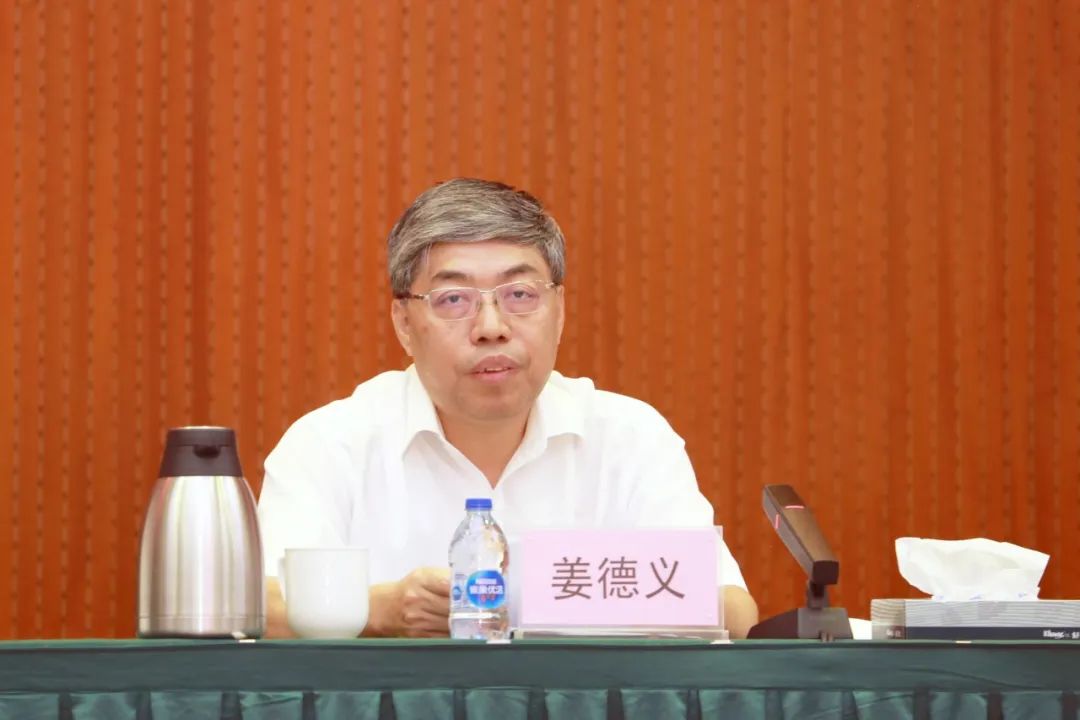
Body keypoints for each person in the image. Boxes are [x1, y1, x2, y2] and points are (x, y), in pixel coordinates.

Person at [257, 178, 759, 638]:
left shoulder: (629, 437)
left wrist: (542, 595)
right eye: (454, 299)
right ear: (404, 324)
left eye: (520, 294)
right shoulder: (331, 443)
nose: (491, 327)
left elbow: (734, 613)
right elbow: (258, 605)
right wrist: (379, 610)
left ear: (559, 312)